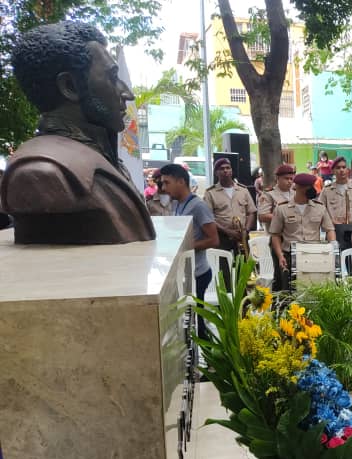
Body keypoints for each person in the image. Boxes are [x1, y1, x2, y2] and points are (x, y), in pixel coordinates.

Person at [1, 21, 155, 244]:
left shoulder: (103, 156)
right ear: (70, 86)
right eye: (112, 77)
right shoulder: (42, 173)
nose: (127, 93)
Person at [160, 163, 218, 339]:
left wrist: (185, 246)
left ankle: (209, 360)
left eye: (166, 182)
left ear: (180, 182)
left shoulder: (198, 206)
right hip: (186, 273)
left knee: (197, 321)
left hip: (198, 273)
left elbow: (214, 239)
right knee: (191, 319)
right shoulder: (178, 205)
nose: (163, 188)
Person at [269, 174, 336, 290]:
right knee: (289, 291)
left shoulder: (319, 208)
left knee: (313, 289)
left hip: (314, 255)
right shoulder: (282, 209)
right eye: (308, 187)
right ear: (298, 187)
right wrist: (280, 256)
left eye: (312, 186)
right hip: (290, 255)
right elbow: (275, 235)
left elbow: (329, 229)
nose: (312, 190)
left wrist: (333, 247)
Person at [203, 158, 256, 252]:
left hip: (242, 237)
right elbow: (208, 218)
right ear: (216, 173)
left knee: (244, 265)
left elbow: (251, 212)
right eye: (221, 168)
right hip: (222, 237)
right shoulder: (210, 193)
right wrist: (227, 231)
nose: (225, 170)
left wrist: (246, 230)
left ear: (232, 171)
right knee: (224, 266)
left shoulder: (243, 190)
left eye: (228, 168)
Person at [318, 156, 352, 248]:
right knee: (335, 260)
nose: (341, 170)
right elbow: (320, 211)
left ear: (347, 170)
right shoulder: (327, 191)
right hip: (333, 231)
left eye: (344, 167)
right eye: (338, 168)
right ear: (332, 171)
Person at [258, 164, 295, 228]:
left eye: (291, 179)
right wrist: (285, 218)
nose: (289, 181)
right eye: (286, 178)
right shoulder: (269, 194)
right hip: (276, 234)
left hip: (293, 234)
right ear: (277, 178)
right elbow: (262, 216)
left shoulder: (295, 193)